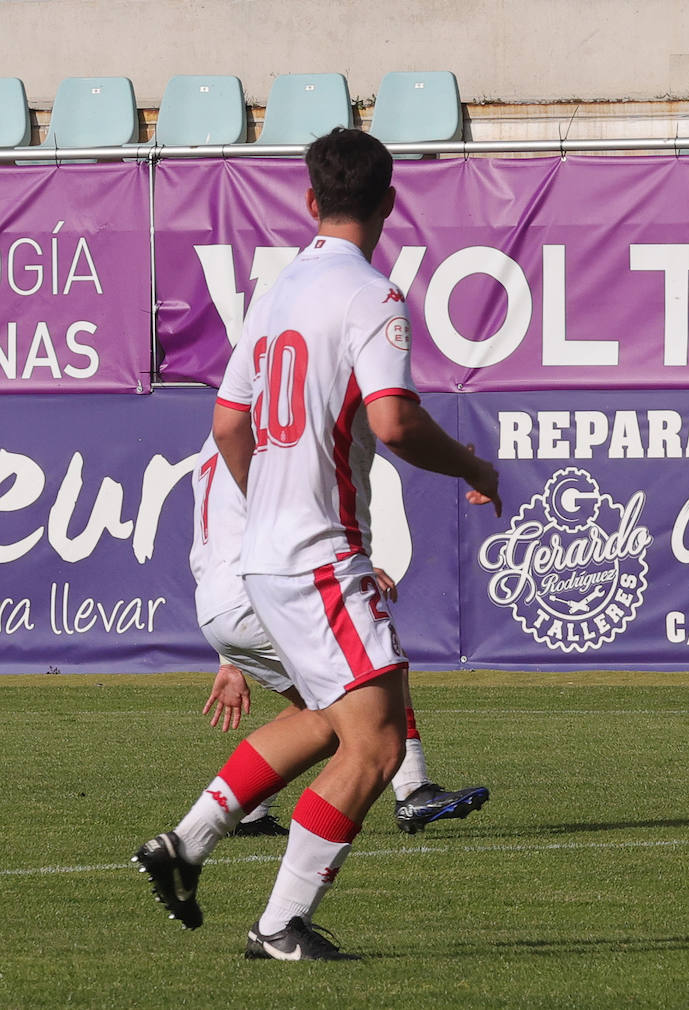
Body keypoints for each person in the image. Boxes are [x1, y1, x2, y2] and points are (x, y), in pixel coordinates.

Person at [135, 127, 501, 961]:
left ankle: (187, 844)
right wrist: (477, 463)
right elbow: (394, 421)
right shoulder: (371, 294)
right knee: (376, 743)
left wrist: (268, 501)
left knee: (325, 719)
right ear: (390, 204)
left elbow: (230, 423)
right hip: (318, 552)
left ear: (309, 201)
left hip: (264, 556)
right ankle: (279, 924)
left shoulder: (277, 290)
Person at [189, 433, 489, 837]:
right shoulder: (276, 418)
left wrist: (228, 658)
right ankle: (413, 790)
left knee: (320, 715)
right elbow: (291, 506)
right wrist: (345, 564)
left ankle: (248, 812)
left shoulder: (218, 434)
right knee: (379, 663)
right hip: (264, 592)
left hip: (218, 604)